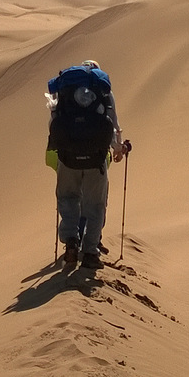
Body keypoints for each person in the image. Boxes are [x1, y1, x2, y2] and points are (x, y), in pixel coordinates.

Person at [45, 60, 128, 269]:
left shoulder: (64, 91)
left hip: (67, 159)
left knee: (67, 199)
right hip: (96, 160)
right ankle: (90, 252)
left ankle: (71, 241)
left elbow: (53, 122)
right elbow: (112, 124)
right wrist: (119, 149)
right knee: (95, 205)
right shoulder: (104, 93)